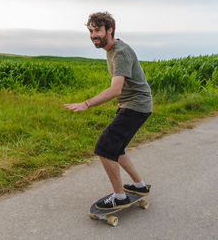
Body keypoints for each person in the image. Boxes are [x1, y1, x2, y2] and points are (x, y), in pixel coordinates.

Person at [64, 12, 152, 210]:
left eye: (97, 30)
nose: (93, 35)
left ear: (109, 30)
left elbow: (115, 89)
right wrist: (123, 100)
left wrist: (86, 104)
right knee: (116, 149)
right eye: (91, 31)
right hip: (134, 104)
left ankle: (119, 197)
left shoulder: (119, 52)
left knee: (105, 148)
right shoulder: (111, 49)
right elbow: (125, 86)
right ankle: (140, 186)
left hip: (136, 106)